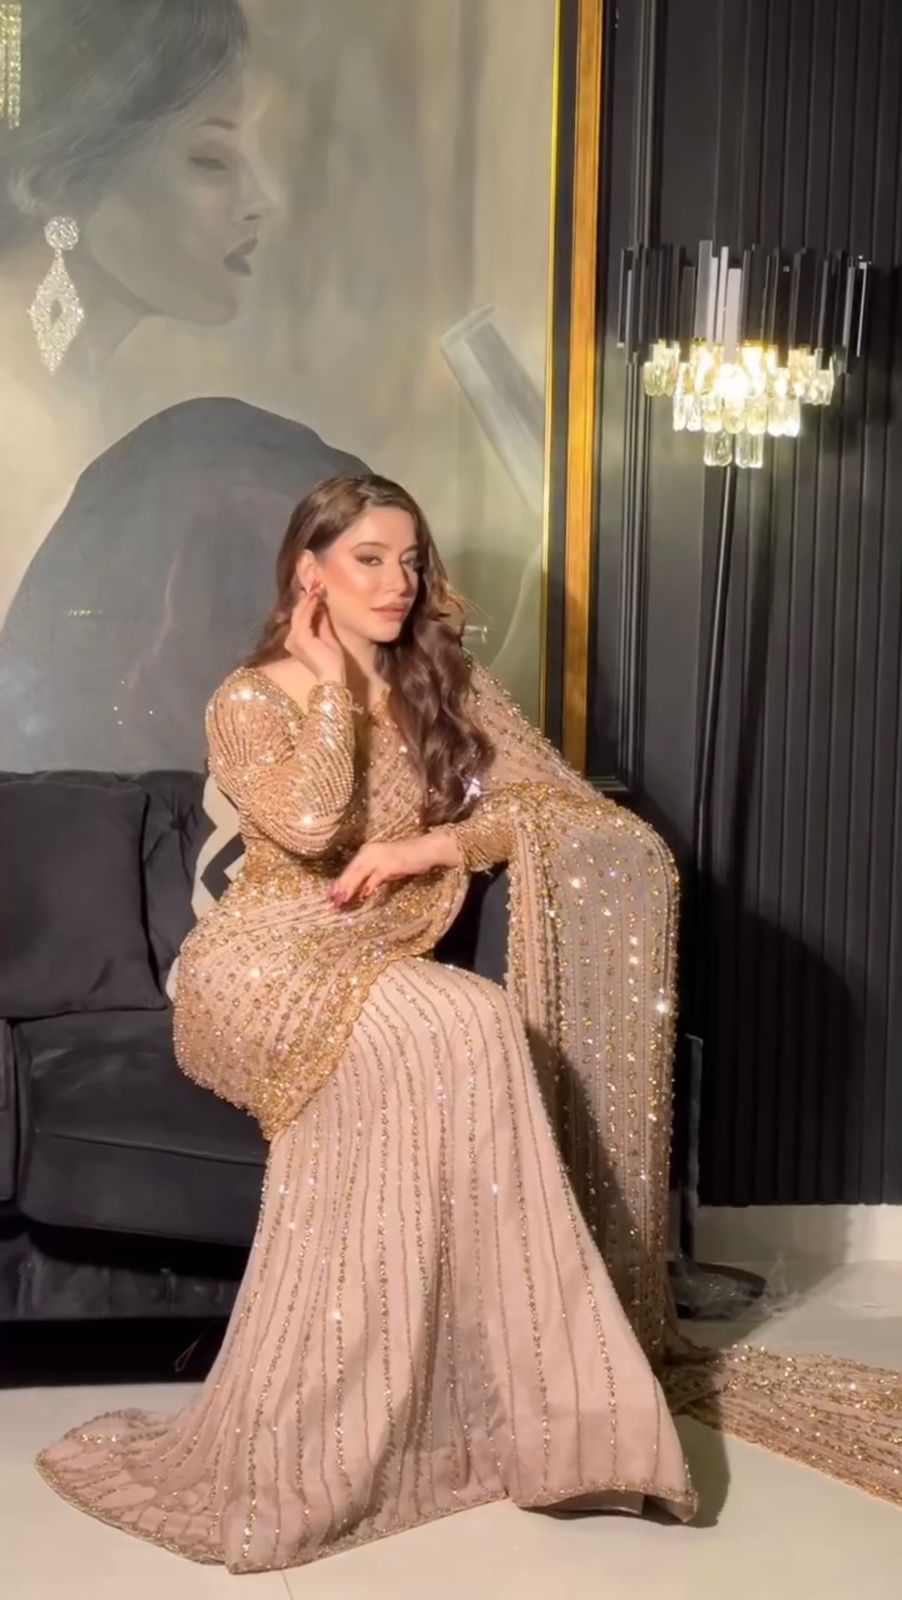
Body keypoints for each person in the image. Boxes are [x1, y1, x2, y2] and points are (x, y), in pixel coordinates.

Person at [36, 476, 902, 1573]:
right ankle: (366, 1422)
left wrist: (431, 845)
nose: (397, 582)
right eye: (367, 560)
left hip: (371, 959)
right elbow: (307, 824)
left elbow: (556, 806)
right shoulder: (251, 697)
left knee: (472, 1023)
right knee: (461, 1022)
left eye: (408, 560)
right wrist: (328, 684)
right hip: (257, 966)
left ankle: (558, 1417)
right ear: (309, 572)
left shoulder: (444, 685)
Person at [0, 0, 369, 770]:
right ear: (55, 182)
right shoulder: (21, 424)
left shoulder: (85, 405)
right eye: (210, 160)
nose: (261, 199)